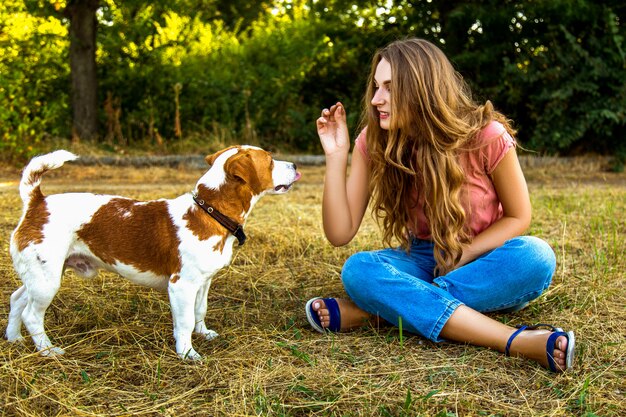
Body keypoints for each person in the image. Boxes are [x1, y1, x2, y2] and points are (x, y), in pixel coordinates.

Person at [306, 38, 574, 372]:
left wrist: (465, 253)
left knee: (536, 256)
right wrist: (335, 155)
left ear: (421, 88)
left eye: (389, 87)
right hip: (420, 256)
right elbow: (339, 233)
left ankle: (376, 313)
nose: (376, 100)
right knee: (359, 270)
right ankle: (515, 340)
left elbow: (520, 216)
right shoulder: (374, 140)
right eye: (376, 86)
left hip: (483, 258)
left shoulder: (486, 135)